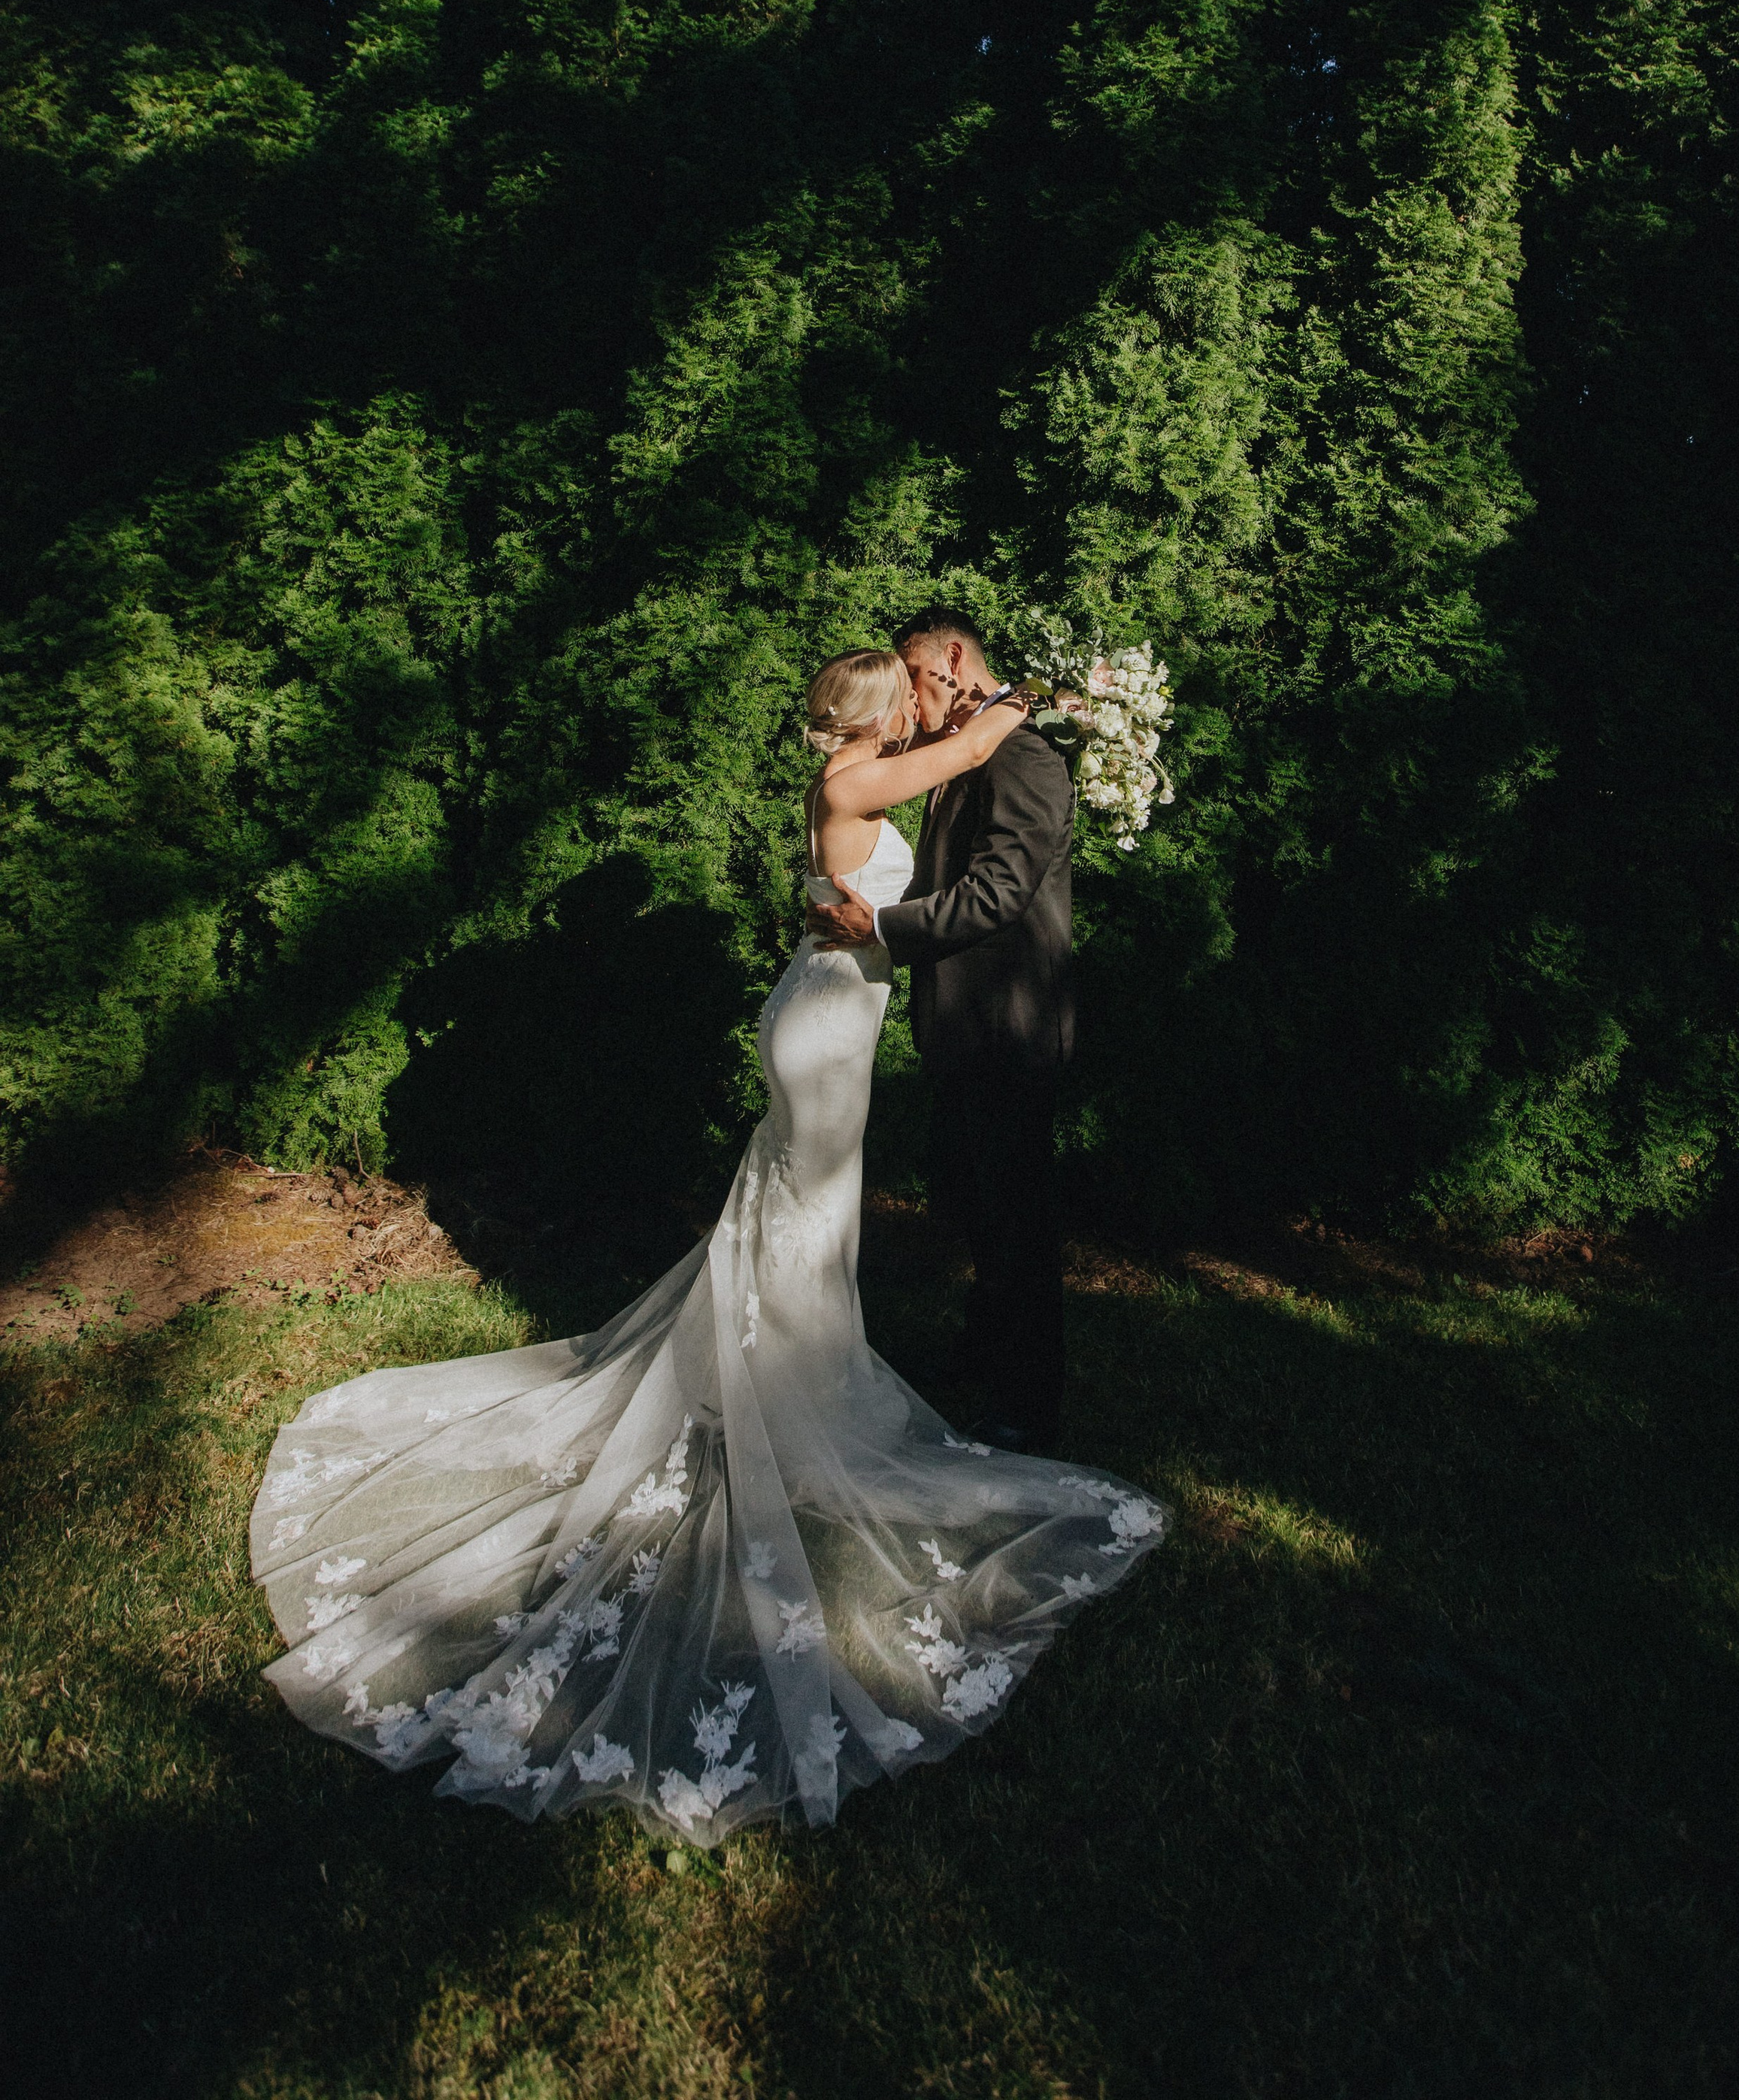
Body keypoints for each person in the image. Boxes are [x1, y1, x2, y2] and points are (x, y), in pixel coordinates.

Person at [250, 647, 1162, 1845]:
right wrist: (1028, 699)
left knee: (805, 1212)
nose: (923, 708)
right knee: (806, 1208)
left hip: (828, 1012)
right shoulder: (854, 783)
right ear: (883, 715)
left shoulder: (873, 772)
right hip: (828, 1026)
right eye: (911, 692)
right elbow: (980, 749)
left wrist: (1010, 703)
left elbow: (975, 784)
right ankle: (791, 1391)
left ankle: (793, 1367)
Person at [808, 606, 1072, 1453]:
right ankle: (985, 1352)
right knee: (981, 1206)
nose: (911, 702)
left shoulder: (1022, 755)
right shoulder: (967, 750)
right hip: (960, 1022)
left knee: (1018, 1220)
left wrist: (881, 929)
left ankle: (1026, 1405)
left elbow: (998, 895)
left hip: (1007, 1023)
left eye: (914, 677)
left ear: (952, 659)